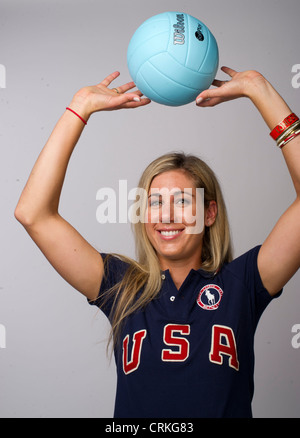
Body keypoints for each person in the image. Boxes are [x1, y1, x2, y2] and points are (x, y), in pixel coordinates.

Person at [15, 67, 300, 418]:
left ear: (209, 213)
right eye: (154, 202)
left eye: (182, 201)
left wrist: (261, 92)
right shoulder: (121, 287)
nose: (165, 215)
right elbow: (33, 214)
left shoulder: (242, 285)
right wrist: (80, 107)